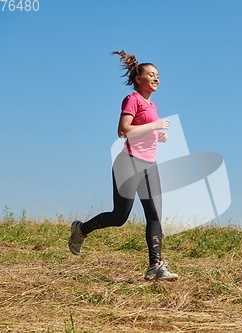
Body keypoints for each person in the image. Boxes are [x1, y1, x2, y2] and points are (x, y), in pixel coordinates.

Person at [68, 50, 178, 281]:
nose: (157, 78)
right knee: (119, 217)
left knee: (155, 215)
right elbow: (122, 131)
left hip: (149, 164)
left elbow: (142, 130)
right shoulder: (132, 99)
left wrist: (156, 136)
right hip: (128, 163)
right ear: (139, 79)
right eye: (151, 74)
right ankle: (81, 230)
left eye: (158, 75)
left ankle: (155, 267)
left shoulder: (152, 104)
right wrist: (154, 126)